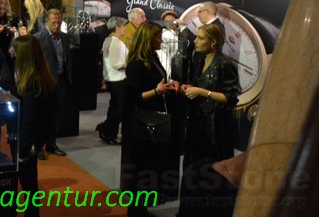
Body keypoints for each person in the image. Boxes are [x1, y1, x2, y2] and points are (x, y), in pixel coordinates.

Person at [122, 21, 181, 214]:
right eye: (157, 37)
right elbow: (133, 98)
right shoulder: (137, 64)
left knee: (149, 168)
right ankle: (136, 210)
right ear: (148, 39)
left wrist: (168, 86)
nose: (161, 40)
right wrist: (157, 91)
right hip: (143, 124)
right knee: (141, 169)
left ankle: (141, 209)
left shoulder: (152, 57)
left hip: (153, 121)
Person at [180, 22, 239, 166]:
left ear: (213, 42)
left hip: (215, 128)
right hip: (196, 123)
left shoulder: (224, 64)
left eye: (200, 38)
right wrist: (190, 88)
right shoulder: (200, 60)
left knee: (209, 168)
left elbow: (230, 98)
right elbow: (201, 84)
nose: (194, 41)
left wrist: (201, 91)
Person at [12, 35, 56, 212]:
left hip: (27, 145)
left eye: (16, 53)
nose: (14, 55)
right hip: (34, 142)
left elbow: (30, 121)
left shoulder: (31, 83)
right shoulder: (41, 77)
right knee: (31, 188)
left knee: (29, 188)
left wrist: (21, 152)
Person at [33, 8, 71, 157]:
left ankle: (51, 143)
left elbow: (67, 58)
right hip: (45, 82)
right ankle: (37, 147)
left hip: (61, 81)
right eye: (54, 23)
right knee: (42, 115)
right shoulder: (38, 38)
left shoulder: (64, 38)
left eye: (59, 23)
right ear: (47, 22)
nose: (57, 26)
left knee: (57, 114)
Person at [96, 16, 129, 145]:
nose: (126, 28)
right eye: (124, 26)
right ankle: (105, 127)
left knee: (115, 107)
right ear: (117, 27)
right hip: (118, 79)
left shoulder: (108, 40)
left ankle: (109, 134)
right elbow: (117, 64)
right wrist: (131, 63)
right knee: (122, 109)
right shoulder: (115, 42)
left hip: (113, 79)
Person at [0, 0, 18, 71]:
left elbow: (17, 29)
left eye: (4, 9)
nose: (1, 11)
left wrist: (13, 30)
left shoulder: (12, 17)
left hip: (8, 48)